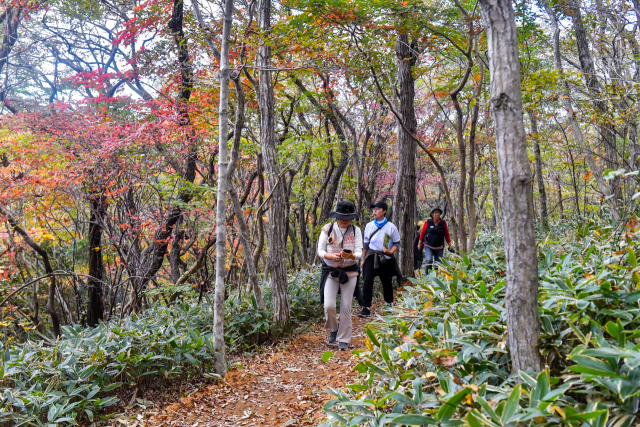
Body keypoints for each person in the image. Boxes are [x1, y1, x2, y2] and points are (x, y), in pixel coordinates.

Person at [317, 201, 363, 351]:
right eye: (342, 217)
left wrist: (350, 256)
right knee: (329, 305)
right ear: (336, 217)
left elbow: (359, 252)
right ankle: (333, 328)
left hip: (350, 272)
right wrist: (331, 256)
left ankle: (343, 339)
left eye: (348, 217)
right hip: (331, 271)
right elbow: (320, 251)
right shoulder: (327, 229)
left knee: (346, 306)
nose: (345, 220)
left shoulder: (356, 231)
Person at [359, 201, 400, 317]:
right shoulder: (369, 226)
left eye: (377, 209)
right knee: (367, 280)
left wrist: (390, 251)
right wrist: (363, 259)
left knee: (386, 281)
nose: (374, 212)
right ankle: (366, 307)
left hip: (385, 257)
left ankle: (388, 305)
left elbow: (397, 242)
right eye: (373, 209)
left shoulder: (391, 227)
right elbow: (366, 244)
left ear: (384, 211)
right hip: (372, 255)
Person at [418, 207, 453, 274]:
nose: (437, 214)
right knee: (429, 260)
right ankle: (428, 277)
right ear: (432, 214)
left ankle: (436, 278)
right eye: (435, 213)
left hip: (439, 247)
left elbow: (447, 234)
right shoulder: (427, 222)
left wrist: (450, 245)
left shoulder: (443, 223)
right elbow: (422, 233)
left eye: (438, 213)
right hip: (428, 245)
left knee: (438, 264)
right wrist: (419, 243)